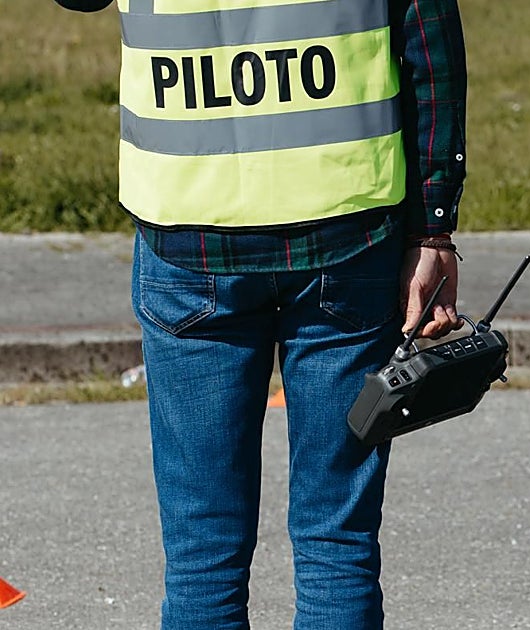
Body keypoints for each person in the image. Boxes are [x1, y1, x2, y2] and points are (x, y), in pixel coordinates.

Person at [54, 0, 468, 627]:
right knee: (339, 547)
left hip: (192, 234)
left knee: (203, 562)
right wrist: (433, 226)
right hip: (345, 228)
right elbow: (429, 42)